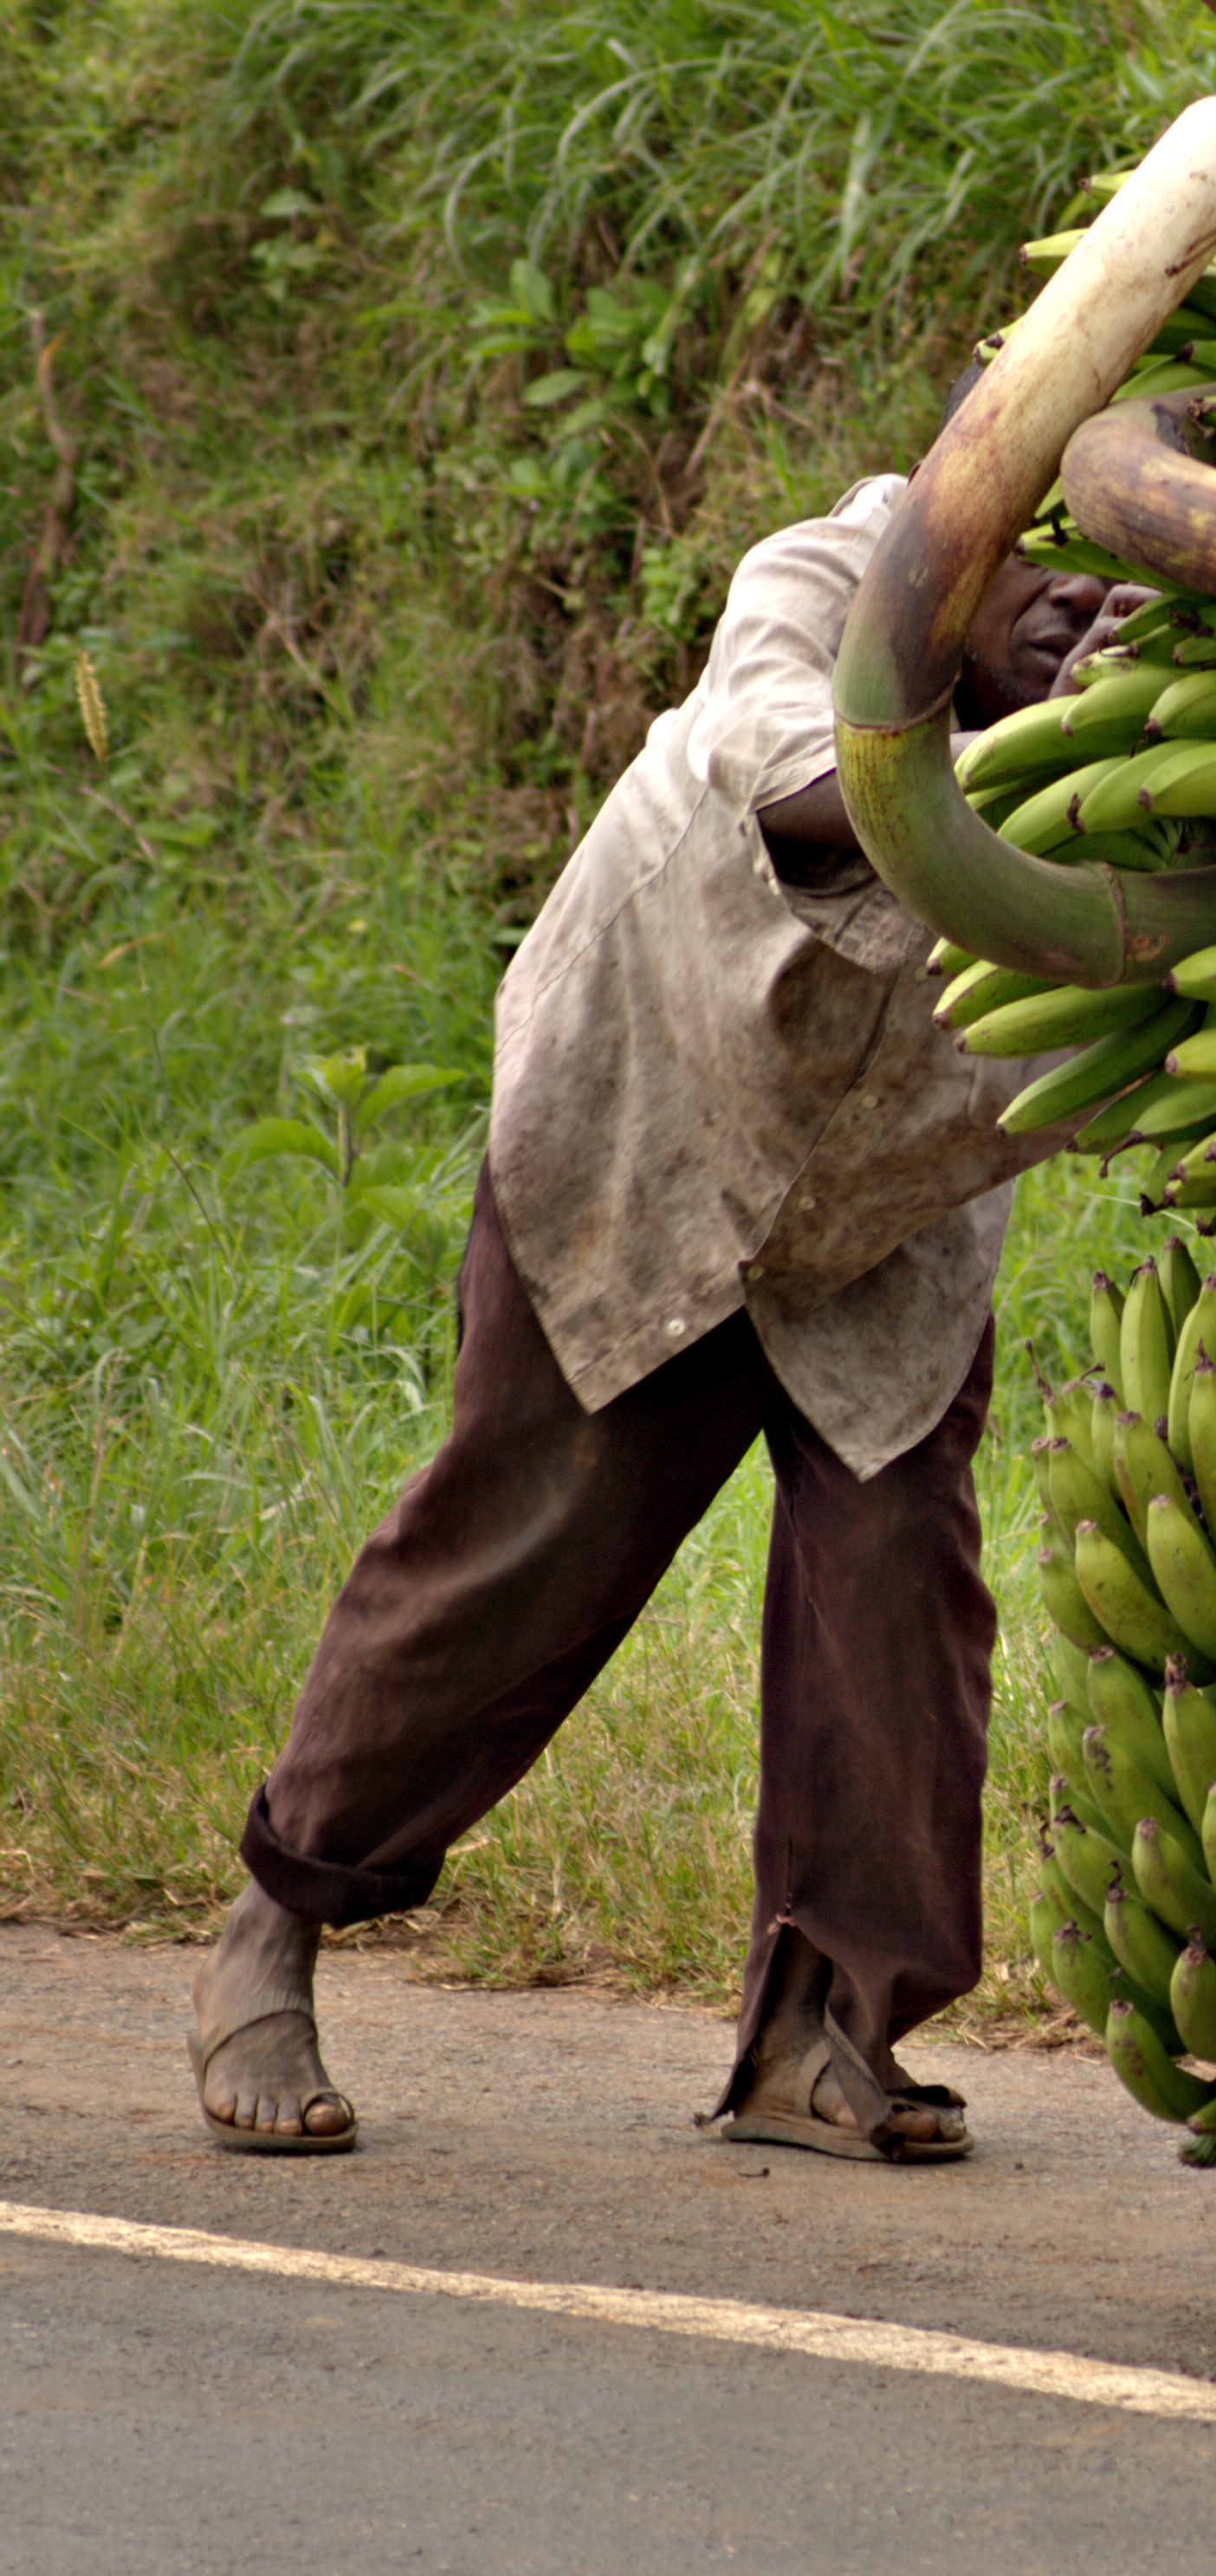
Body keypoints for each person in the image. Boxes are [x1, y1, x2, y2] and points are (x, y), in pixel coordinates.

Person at [186, 471, 1135, 2164]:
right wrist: (1069, 754)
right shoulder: (837, 569)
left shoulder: (1179, 733)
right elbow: (791, 770)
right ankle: (279, 1911)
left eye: (1122, 578)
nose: (1076, 600)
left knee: (897, 1578)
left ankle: (822, 2036)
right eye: (1045, 553)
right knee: (526, 1536)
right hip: (655, 1109)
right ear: (973, 522)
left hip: (898, 1178)